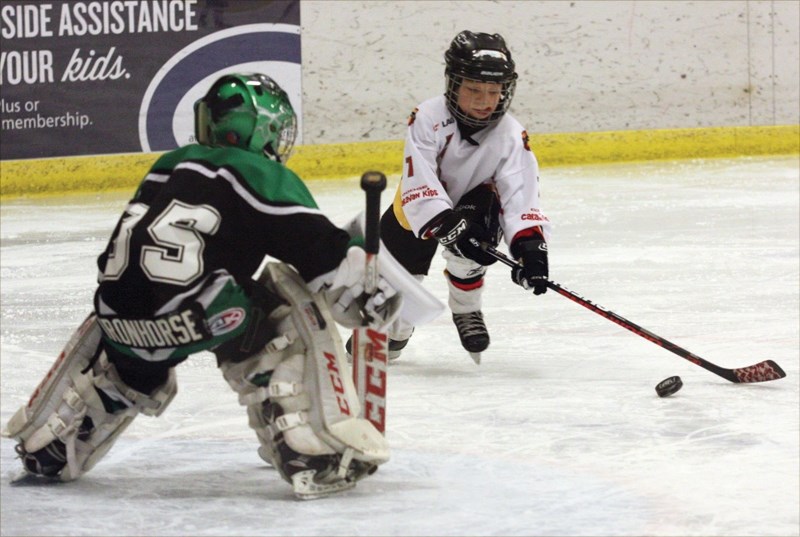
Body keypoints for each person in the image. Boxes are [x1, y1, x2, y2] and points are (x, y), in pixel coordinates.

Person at [4, 73, 402, 500]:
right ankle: (306, 447)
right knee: (281, 300)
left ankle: (57, 444)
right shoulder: (259, 172)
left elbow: (122, 255)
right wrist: (360, 269)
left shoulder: (168, 165)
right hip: (198, 314)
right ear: (262, 129)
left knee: (142, 319)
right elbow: (323, 260)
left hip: (116, 319)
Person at [374, 30, 552, 362]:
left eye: (494, 91)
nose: (485, 101)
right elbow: (420, 179)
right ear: (454, 85)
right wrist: (451, 227)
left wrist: (531, 250)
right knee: (401, 286)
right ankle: (398, 329)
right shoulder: (428, 116)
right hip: (419, 206)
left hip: (476, 202)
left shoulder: (511, 134)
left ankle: (466, 309)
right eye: (474, 89)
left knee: (476, 245)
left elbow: (520, 193)